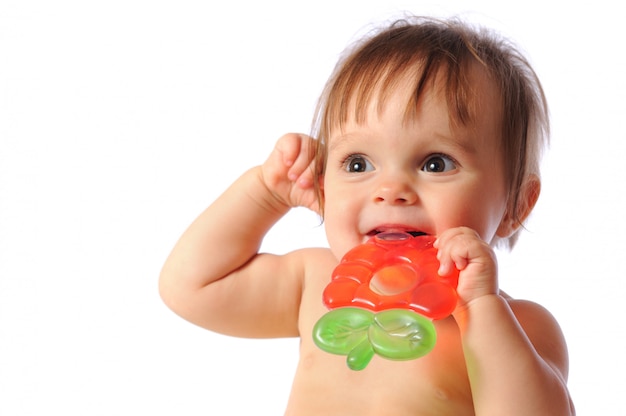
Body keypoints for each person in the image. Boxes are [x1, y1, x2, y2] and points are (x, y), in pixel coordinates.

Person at [159, 16, 575, 415]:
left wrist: (482, 307)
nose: (390, 190)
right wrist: (266, 193)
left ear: (515, 205)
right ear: (323, 182)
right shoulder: (312, 281)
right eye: (357, 163)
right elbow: (190, 287)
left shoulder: (521, 325)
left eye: (436, 164)